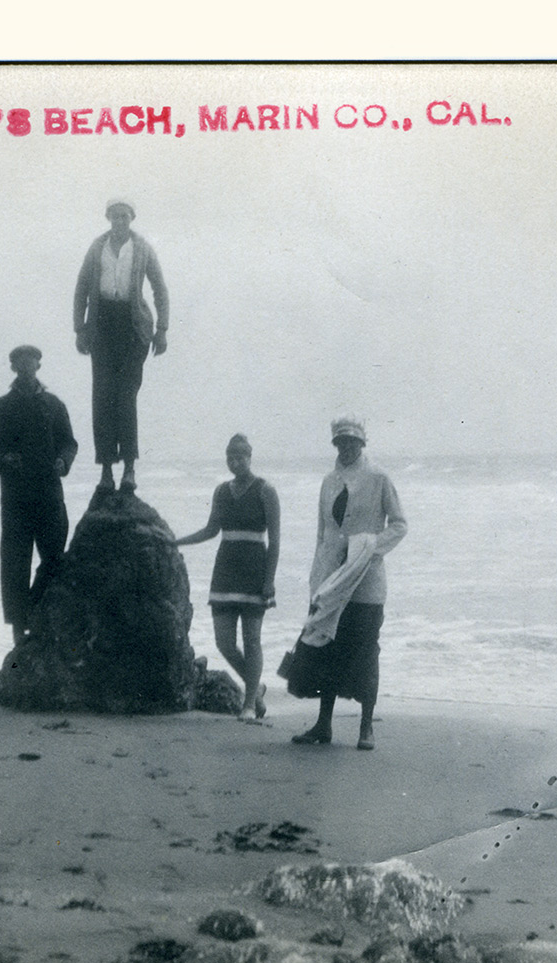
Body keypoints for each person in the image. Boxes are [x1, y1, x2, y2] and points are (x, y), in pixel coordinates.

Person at [288, 417, 407, 750]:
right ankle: (323, 725)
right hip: (331, 580)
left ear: (363, 442)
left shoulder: (379, 478)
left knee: (366, 652)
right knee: (327, 650)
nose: (346, 446)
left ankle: (366, 727)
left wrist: (369, 548)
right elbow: (322, 534)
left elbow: (399, 525)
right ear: (335, 444)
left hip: (366, 584)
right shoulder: (328, 481)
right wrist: (317, 582)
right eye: (341, 441)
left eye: (352, 441)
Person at [173, 434, 281, 720]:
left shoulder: (265, 490)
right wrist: (176, 542)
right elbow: (211, 530)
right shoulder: (221, 491)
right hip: (225, 571)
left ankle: (248, 705)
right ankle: (255, 691)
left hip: (254, 570)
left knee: (252, 640)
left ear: (250, 456)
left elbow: (276, 542)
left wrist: (269, 580)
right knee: (224, 642)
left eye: (240, 457)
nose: (235, 462)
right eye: (230, 458)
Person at [0, 345, 78, 647]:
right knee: (15, 563)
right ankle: (18, 627)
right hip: (16, 498)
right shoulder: (1, 406)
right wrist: (3, 460)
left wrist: (64, 460)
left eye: (31, 359)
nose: (26, 364)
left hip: (49, 493)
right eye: (19, 361)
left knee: (55, 557)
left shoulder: (53, 404)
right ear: (13, 368)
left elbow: (69, 443)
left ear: (38, 364)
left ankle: (36, 611)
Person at [71, 199, 168, 493]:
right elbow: (81, 289)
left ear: (132, 218)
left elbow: (160, 289)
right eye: (115, 217)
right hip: (102, 327)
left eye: (125, 217)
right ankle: (106, 472)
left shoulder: (143, 248)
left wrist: (161, 329)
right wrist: (80, 328)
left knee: (125, 399)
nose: (120, 222)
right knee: (102, 399)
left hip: (133, 327)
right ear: (108, 219)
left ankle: (129, 469)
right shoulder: (96, 247)